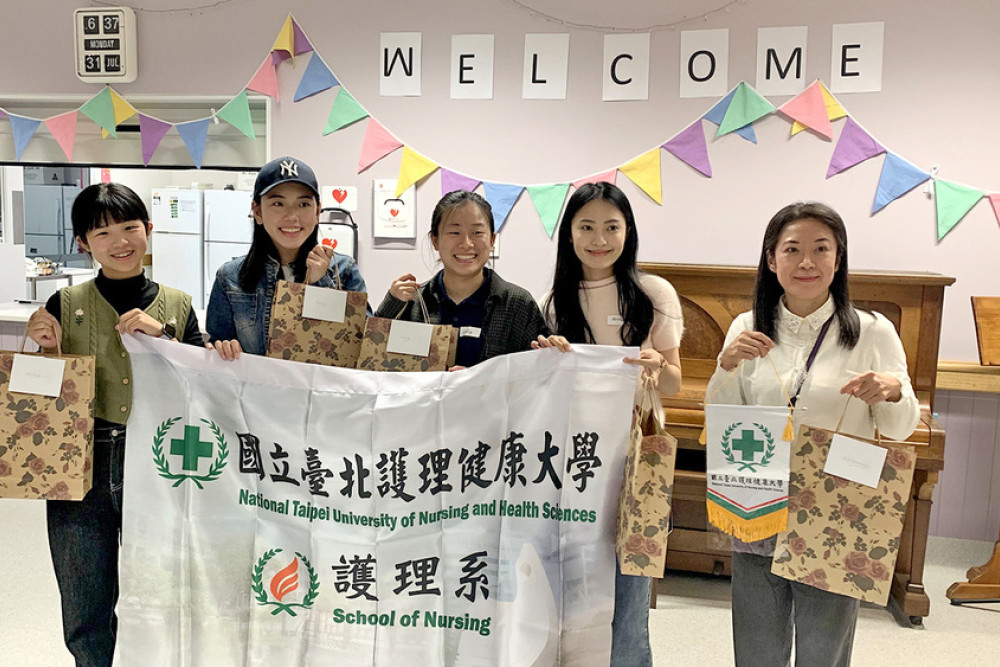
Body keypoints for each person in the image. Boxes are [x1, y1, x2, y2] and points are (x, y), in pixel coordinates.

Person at [705, 201, 920, 667]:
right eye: (792, 249)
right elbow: (721, 420)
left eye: (821, 249)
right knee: (757, 646)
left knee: (824, 650)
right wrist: (725, 367)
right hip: (758, 499)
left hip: (835, 507)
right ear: (770, 259)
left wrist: (893, 393)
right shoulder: (747, 327)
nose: (806, 262)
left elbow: (903, 428)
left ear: (838, 259)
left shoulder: (872, 332)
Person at [25, 182, 206, 666]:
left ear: (149, 230)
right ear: (84, 243)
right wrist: (42, 348)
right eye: (102, 232)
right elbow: (43, 395)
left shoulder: (179, 304)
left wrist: (165, 335)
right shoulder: (65, 302)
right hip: (78, 461)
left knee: (163, 592)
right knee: (84, 598)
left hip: (161, 460)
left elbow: (204, 384)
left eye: (129, 227)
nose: (120, 241)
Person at [535, 182, 683, 667]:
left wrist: (657, 364)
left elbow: (676, 384)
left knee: (629, 593)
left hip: (635, 459)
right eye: (586, 227)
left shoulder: (653, 292)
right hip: (574, 465)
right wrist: (546, 360)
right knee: (571, 587)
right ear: (569, 235)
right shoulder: (554, 300)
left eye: (611, 227)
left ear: (628, 232)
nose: (599, 238)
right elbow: (547, 393)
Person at [206, 156, 367, 360]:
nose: (292, 216)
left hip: (319, 392)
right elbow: (216, 344)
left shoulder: (344, 271)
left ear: (317, 211)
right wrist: (221, 348)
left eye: (303, 204)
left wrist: (320, 284)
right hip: (258, 390)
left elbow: (357, 348)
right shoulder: (229, 278)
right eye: (278, 203)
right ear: (257, 211)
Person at [377, 190, 551, 368]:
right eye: (454, 232)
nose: (466, 243)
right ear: (434, 240)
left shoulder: (517, 304)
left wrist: (477, 383)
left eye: (477, 232)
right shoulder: (411, 302)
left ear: (492, 240)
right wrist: (391, 304)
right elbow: (372, 359)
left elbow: (538, 375)